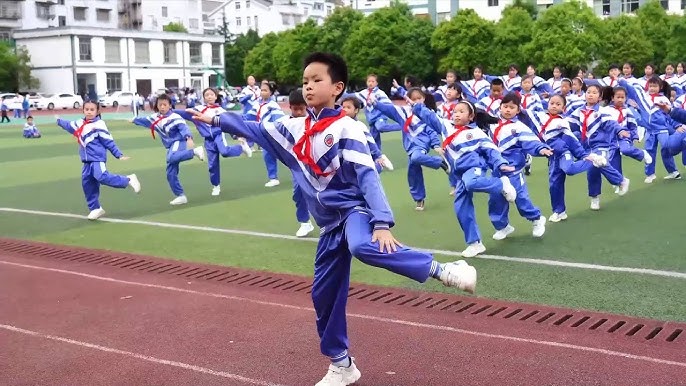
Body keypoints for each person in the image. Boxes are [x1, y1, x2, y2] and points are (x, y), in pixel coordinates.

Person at [190, 52, 477, 386]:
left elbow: (368, 177)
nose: (309, 86)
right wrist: (215, 119)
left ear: (337, 87)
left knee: (362, 245)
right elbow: (255, 129)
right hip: (329, 225)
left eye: (317, 80)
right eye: (305, 81)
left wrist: (382, 222)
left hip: (354, 211)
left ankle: (445, 271)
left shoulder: (347, 128)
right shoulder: (294, 128)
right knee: (322, 295)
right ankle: (342, 365)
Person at [55, 101, 140, 220]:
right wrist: (59, 121)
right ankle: (95, 208)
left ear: (97, 111)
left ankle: (128, 179)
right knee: (87, 184)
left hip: (97, 158)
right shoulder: (79, 123)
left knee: (101, 176)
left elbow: (108, 141)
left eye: (92, 109)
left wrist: (118, 154)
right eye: (87, 109)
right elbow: (69, 126)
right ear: (83, 110)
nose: (89, 112)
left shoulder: (99, 124)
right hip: (86, 160)